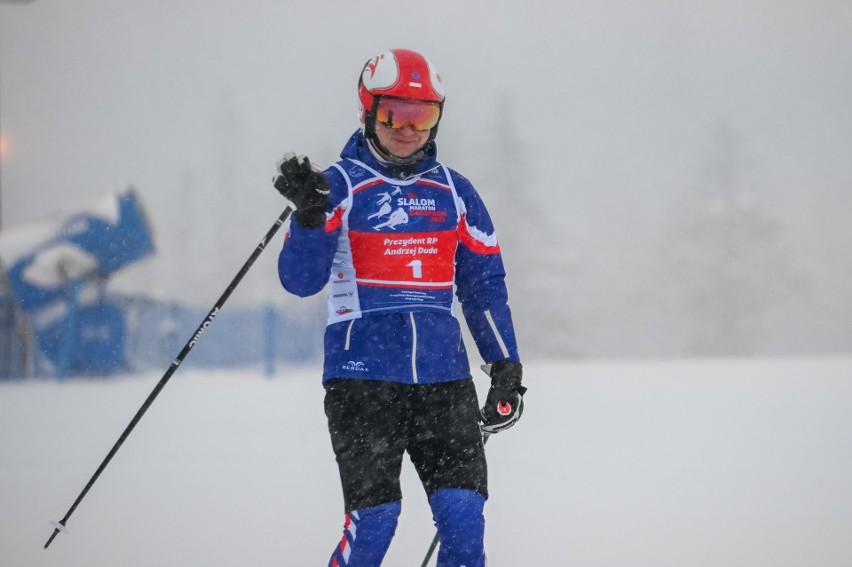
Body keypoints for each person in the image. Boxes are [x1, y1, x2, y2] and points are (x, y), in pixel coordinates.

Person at [273, 48, 526, 567]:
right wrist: (307, 217)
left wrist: (504, 366)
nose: (408, 129)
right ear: (368, 111)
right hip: (364, 383)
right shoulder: (337, 185)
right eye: (394, 114)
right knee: (375, 526)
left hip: (443, 381)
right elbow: (300, 282)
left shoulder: (455, 191)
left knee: (464, 523)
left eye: (423, 116)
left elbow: (483, 286)